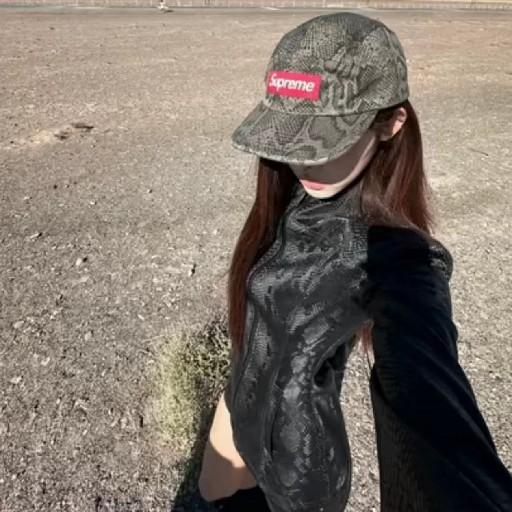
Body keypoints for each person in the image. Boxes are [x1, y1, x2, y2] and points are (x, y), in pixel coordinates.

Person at [198, 11, 512, 512]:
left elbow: (433, 400)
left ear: (391, 123)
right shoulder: (290, 194)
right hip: (237, 420)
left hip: (299, 478)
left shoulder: (392, 255)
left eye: (325, 139)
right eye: (291, 136)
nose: (304, 161)